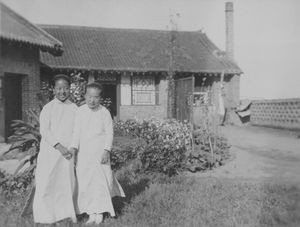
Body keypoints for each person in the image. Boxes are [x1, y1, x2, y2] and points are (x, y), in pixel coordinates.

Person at [69, 82, 125, 225]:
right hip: (84, 154)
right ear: (85, 96)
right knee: (86, 182)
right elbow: (76, 131)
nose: (92, 100)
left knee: (100, 182)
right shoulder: (80, 111)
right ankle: (91, 211)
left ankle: (100, 211)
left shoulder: (104, 112)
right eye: (89, 97)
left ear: (100, 98)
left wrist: (107, 150)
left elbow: (109, 133)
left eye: (96, 97)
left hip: (100, 153)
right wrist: (74, 148)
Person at [33, 74, 77, 224]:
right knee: (47, 182)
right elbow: (45, 131)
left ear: (70, 89)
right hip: (51, 152)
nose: (62, 92)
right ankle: (45, 216)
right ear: (53, 89)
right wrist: (59, 146)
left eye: (65, 88)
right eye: (59, 88)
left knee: (65, 183)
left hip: (68, 154)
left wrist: (72, 147)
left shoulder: (74, 108)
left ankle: (64, 214)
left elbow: (77, 130)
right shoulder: (48, 108)